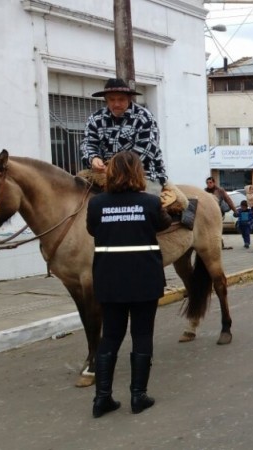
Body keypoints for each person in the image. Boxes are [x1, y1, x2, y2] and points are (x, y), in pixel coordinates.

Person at [86, 151, 172, 418]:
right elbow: (164, 224)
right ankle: (138, 396)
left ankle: (102, 399)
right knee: (142, 335)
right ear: (138, 173)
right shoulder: (149, 202)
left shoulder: (97, 204)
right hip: (144, 279)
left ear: (110, 173)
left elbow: (92, 230)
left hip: (109, 279)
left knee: (110, 336)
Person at [80, 78, 168, 197]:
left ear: (129, 98)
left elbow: (146, 151)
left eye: (121, 99)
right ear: (106, 100)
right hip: (105, 174)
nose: (116, 104)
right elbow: (88, 143)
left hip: (144, 175)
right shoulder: (95, 119)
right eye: (112, 99)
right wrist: (93, 158)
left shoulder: (144, 117)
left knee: (146, 206)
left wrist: (113, 168)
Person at [205, 176, 237, 250]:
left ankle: (220, 244)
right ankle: (213, 244)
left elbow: (228, 200)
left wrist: (235, 210)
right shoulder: (205, 191)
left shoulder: (220, 190)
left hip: (218, 213)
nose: (209, 184)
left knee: (216, 228)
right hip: (208, 213)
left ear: (214, 182)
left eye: (210, 182)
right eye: (207, 183)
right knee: (210, 229)